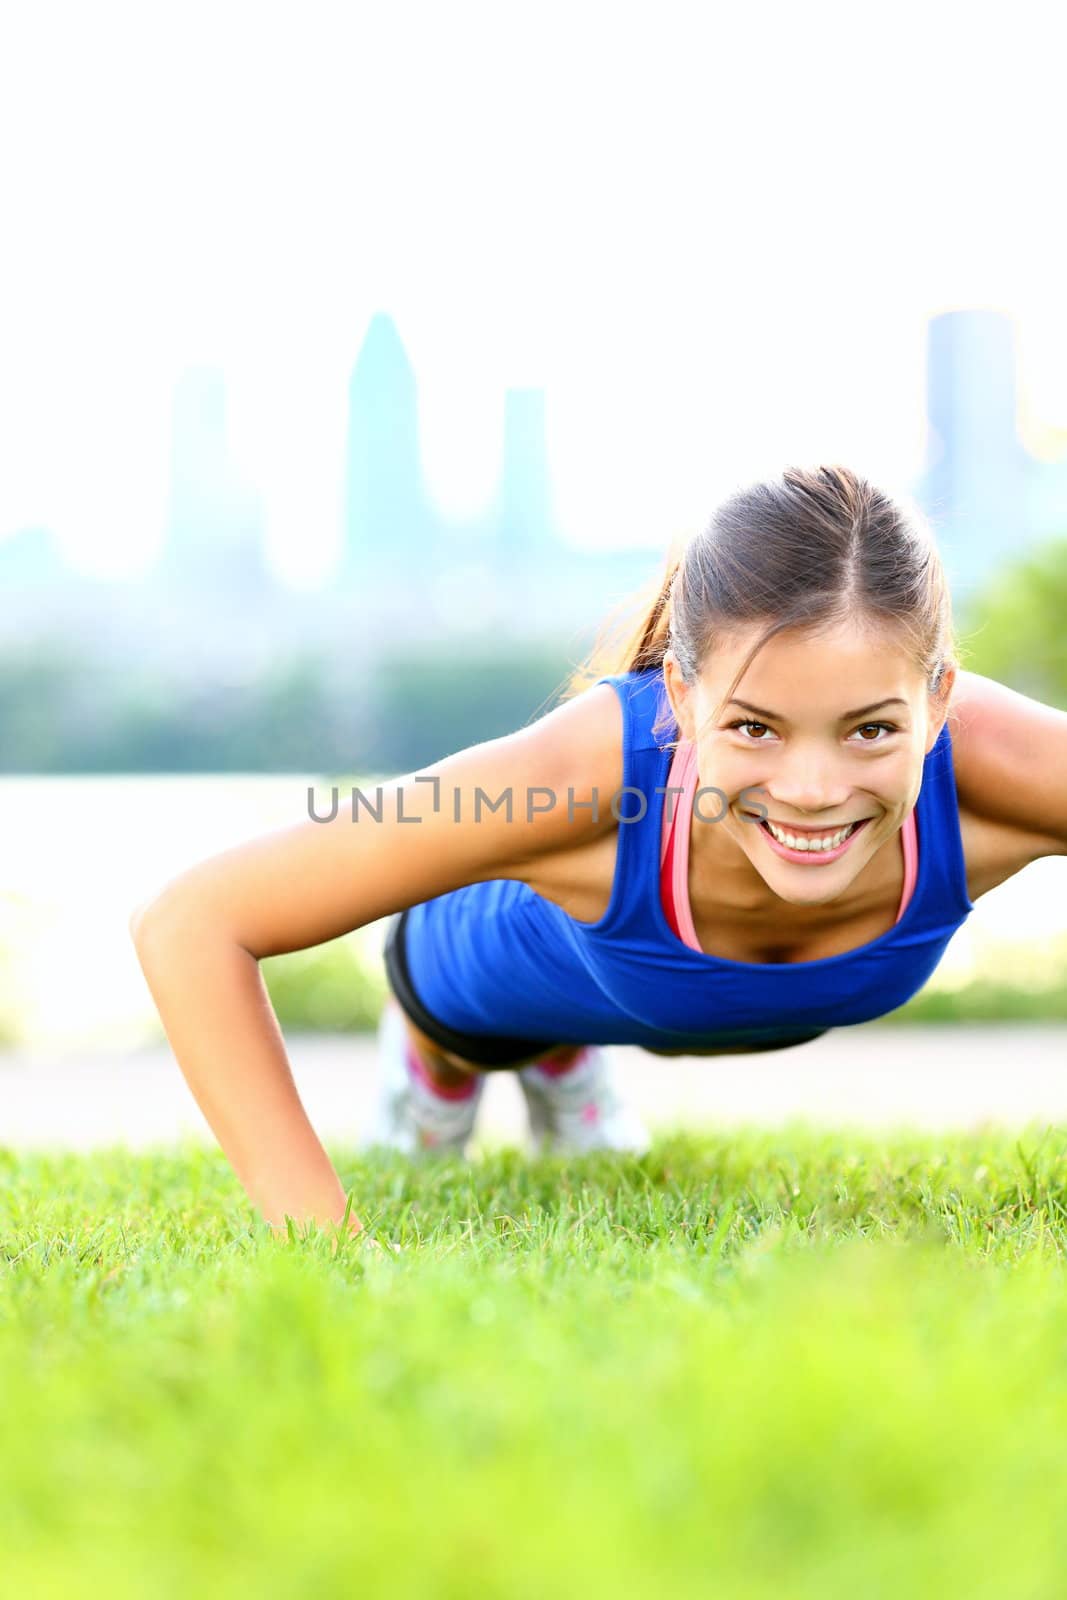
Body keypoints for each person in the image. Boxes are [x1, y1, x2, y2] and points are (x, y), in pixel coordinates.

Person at [129, 463, 1067, 1244]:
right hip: (487, 965)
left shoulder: (1000, 767)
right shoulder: (576, 772)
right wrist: (324, 1248)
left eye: (868, 731)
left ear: (939, 698)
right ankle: (450, 1065)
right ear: (681, 697)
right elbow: (190, 923)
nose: (812, 789)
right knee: (470, 1035)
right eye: (753, 727)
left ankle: (558, 1057)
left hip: (637, 977)